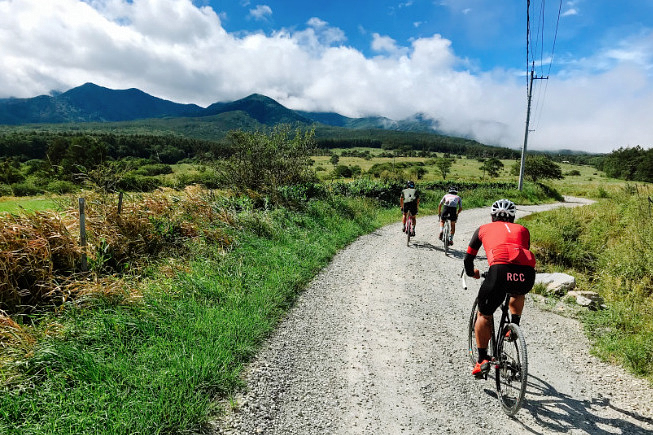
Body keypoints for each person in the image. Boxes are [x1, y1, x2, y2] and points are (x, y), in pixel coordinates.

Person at [464, 199, 536, 377]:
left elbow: (468, 259)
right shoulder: (523, 230)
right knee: (517, 291)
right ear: (513, 217)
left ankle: (482, 360)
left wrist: (472, 273)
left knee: (484, 314)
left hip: (499, 271)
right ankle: (513, 326)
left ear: (492, 216)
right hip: (526, 274)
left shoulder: (482, 229)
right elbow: (520, 254)